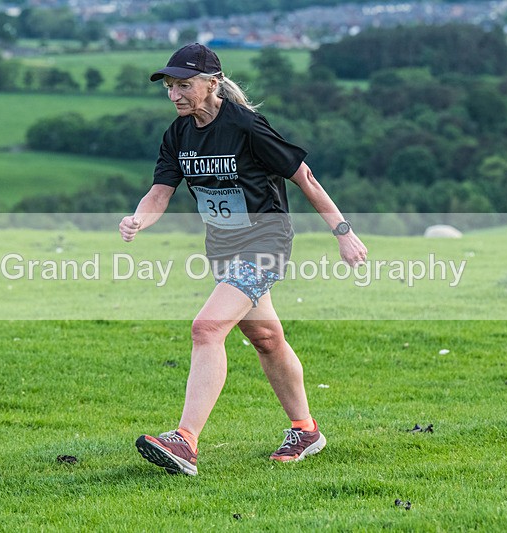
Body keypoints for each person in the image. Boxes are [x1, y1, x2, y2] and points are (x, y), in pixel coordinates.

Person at [119, 43, 367, 476]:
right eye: (171, 87)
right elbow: (160, 192)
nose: (175, 94)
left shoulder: (246, 126)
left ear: (212, 84)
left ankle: (185, 442)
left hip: (266, 243)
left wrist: (342, 232)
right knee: (266, 339)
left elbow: (303, 176)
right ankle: (305, 429)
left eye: (185, 85)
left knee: (207, 327)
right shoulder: (177, 134)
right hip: (223, 250)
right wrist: (139, 219)